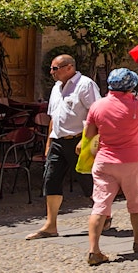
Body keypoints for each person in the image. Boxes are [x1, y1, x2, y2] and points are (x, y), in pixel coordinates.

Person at [82, 68, 138, 266]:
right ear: (130, 86)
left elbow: (88, 136)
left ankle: (94, 250)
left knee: (100, 205)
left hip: (104, 161)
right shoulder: (136, 106)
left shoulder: (97, 106)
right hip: (131, 160)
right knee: (136, 202)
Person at [28, 55, 98, 240]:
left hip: (79, 140)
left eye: (55, 68)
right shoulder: (56, 88)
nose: (51, 72)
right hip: (58, 140)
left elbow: (96, 113)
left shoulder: (86, 84)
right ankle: (51, 225)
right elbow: (54, 116)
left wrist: (86, 139)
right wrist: (49, 142)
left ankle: (103, 214)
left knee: (87, 181)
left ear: (69, 67)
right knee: (51, 179)